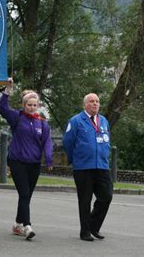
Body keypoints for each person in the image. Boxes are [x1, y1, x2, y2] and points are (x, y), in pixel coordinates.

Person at [0, 78, 53, 240]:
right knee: (24, 193)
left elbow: (47, 142)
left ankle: (17, 224)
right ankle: (27, 225)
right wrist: (7, 91)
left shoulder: (42, 123)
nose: (32, 107)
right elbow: (2, 108)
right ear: (24, 105)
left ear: (38, 106)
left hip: (34, 163)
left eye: (35, 105)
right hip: (17, 161)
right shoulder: (17, 117)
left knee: (26, 196)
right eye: (29, 104)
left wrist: (48, 159)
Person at [62, 93, 113, 242]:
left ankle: (93, 226)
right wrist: (76, 160)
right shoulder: (76, 120)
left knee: (106, 196)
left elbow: (107, 140)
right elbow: (68, 142)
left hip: (101, 166)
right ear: (85, 104)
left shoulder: (103, 120)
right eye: (91, 101)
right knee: (85, 200)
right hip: (83, 167)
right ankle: (85, 231)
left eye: (97, 101)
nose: (95, 104)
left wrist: (105, 155)